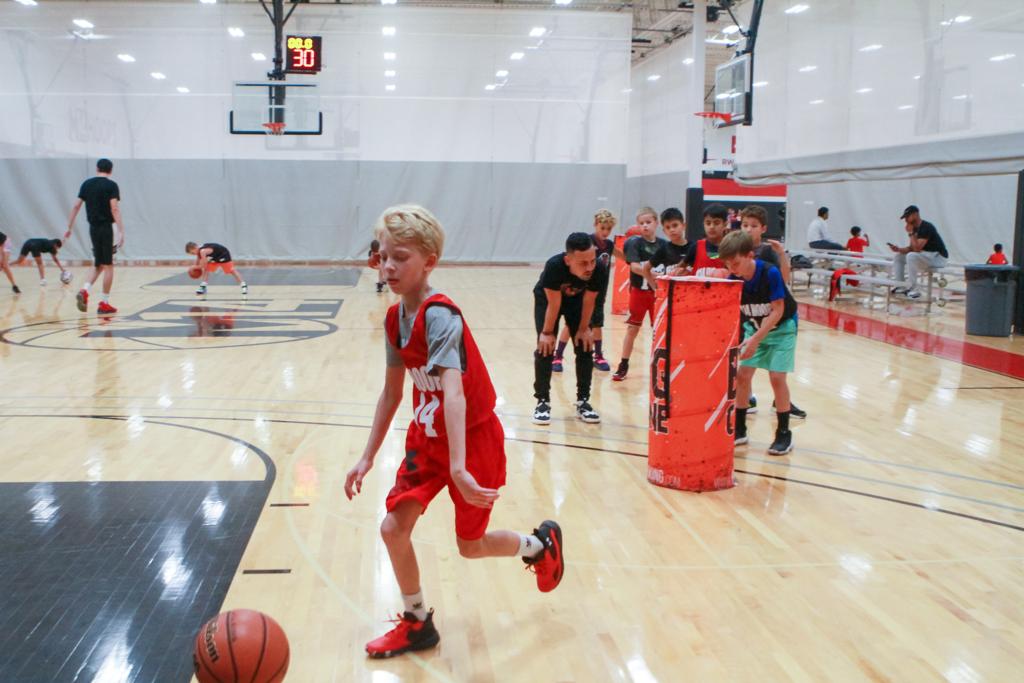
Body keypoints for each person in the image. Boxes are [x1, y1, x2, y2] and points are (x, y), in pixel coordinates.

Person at [344, 204, 564, 659]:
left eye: (400, 257)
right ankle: (418, 622)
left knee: (470, 546)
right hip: (427, 442)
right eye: (383, 255)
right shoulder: (393, 320)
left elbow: (456, 393)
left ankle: (539, 545)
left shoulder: (442, 316)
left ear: (429, 262)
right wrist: (367, 456)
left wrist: (460, 467)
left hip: (472, 438)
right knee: (392, 528)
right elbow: (391, 394)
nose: (388, 266)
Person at [720, 230, 798, 456]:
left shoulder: (769, 273)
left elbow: (778, 310)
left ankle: (784, 433)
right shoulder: (733, 279)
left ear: (750, 255)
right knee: (742, 376)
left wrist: (754, 340)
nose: (732, 269)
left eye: (735, 263)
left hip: (782, 329)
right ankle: (740, 428)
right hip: (753, 328)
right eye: (728, 264)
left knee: (777, 377)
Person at [740, 206, 807, 420]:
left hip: (779, 312)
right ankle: (747, 400)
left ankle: (781, 403)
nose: (748, 230)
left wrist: (781, 254)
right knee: (745, 367)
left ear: (763, 228)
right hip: (753, 315)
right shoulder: (738, 252)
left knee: (777, 372)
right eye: (744, 225)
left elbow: (785, 279)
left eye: (753, 226)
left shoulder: (768, 252)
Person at [533, 232, 606, 424]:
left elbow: (590, 300)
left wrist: (584, 329)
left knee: (584, 345)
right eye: (583, 263)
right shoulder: (554, 266)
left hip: (577, 302)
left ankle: (583, 401)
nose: (590, 267)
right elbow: (554, 304)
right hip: (547, 301)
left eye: (592, 260)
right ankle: (542, 401)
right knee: (545, 347)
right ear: (568, 260)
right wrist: (547, 333)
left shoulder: (599, 269)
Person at [554, 209, 616, 373]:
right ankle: (558, 355)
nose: (605, 232)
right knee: (571, 324)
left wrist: (636, 261)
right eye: (602, 228)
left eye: (609, 229)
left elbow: (623, 256)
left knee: (597, 324)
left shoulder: (609, 245)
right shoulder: (587, 243)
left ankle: (598, 355)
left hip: (599, 291)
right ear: (596, 225)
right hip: (582, 290)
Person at [611, 209, 666, 382]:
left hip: (657, 295)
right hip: (639, 293)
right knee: (633, 328)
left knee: (660, 331)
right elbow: (634, 267)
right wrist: (653, 275)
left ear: (656, 223)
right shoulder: (635, 244)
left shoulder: (664, 245)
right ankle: (623, 364)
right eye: (641, 223)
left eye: (648, 222)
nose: (645, 226)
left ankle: (660, 366)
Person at [66, 158, 124, 315]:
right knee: (109, 266)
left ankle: (85, 290)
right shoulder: (111, 185)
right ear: (110, 170)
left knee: (98, 263)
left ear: (97, 168)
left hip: (93, 228)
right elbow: (114, 208)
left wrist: (69, 227)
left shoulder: (86, 184)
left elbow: (76, 205)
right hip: (107, 228)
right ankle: (104, 303)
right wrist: (120, 230)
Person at [889, 205, 948, 299]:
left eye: (907, 216)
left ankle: (914, 289)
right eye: (905, 217)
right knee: (899, 257)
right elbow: (911, 248)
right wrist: (899, 249)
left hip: (938, 258)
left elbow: (916, 249)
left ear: (915, 214)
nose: (906, 220)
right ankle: (900, 286)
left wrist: (910, 233)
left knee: (911, 256)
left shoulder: (927, 227)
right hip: (926, 255)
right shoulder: (915, 229)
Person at [641, 207, 687, 290]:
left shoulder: (694, 247)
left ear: (683, 226)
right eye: (668, 227)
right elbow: (646, 269)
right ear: (664, 231)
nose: (672, 230)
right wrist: (656, 289)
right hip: (670, 295)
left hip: (690, 294)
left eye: (675, 225)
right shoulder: (664, 249)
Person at [682, 203, 731, 278]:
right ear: (703, 224)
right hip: (696, 289)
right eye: (708, 223)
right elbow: (680, 268)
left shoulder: (732, 248)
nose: (711, 227)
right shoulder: (696, 247)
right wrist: (680, 272)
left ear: (725, 224)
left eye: (716, 223)